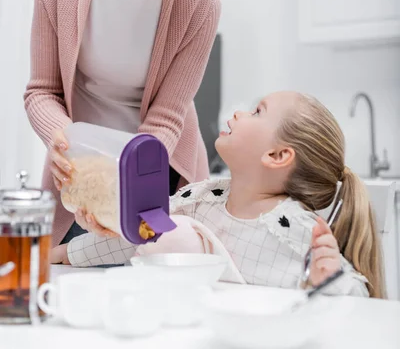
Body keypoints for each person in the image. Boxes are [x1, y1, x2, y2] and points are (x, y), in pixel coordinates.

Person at [24, 0, 222, 247]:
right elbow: (41, 92)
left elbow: (168, 115)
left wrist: (127, 185)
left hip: (157, 176)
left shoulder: (201, 1)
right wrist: (68, 147)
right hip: (83, 178)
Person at [52, 92, 385, 298]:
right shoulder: (199, 199)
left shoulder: (297, 231)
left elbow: (356, 294)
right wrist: (64, 253)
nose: (240, 112)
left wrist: (325, 282)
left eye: (257, 111)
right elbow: (139, 233)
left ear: (277, 156)